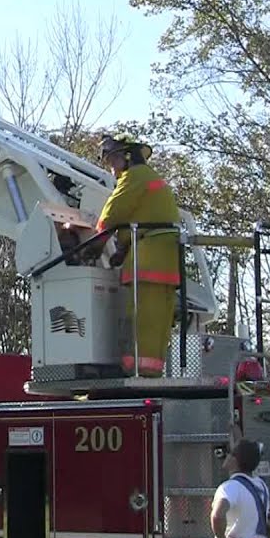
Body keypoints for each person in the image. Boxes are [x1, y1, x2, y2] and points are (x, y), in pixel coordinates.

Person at [87, 133, 181, 377]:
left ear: (127, 156)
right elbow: (146, 217)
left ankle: (137, 371)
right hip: (167, 260)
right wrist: (122, 249)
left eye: (113, 160)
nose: (112, 167)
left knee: (141, 319)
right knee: (157, 321)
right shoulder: (150, 177)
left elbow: (112, 213)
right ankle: (151, 371)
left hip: (148, 261)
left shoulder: (134, 177)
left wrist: (94, 245)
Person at [211, 439, 270, 538]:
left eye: (230, 453)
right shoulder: (262, 485)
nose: (226, 455)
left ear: (235, 460)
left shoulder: (229, 487)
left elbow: (217, 516)